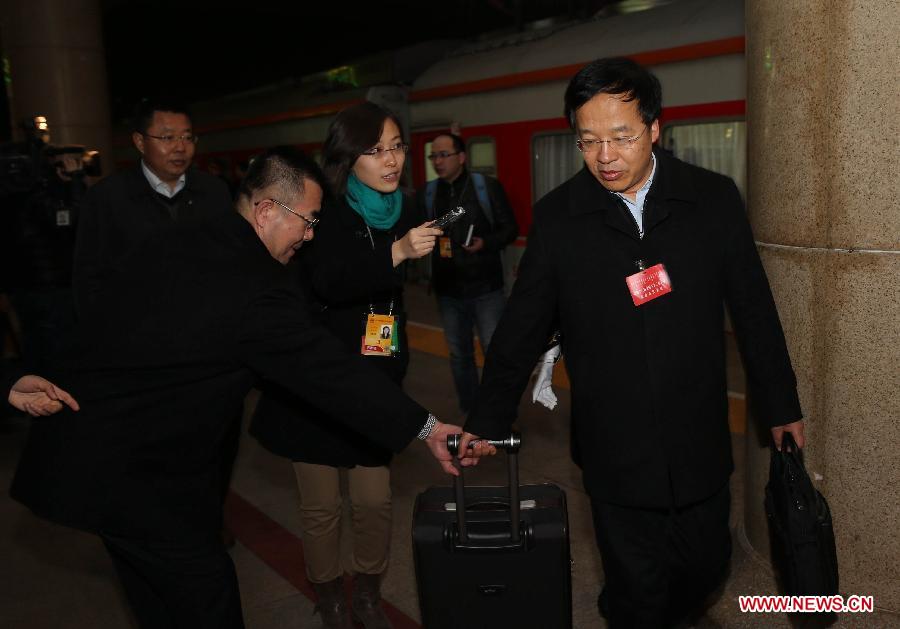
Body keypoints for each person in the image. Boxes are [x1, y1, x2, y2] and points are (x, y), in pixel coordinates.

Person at [10, 148, 489, 629]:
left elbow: (104, 316)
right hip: (144, 478)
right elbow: (327, 371)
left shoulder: (189, 237)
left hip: (97, 459)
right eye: (307, 220)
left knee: (157, 601)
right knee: (205, 597)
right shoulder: (252, 286)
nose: (310, 234)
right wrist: (427, 428)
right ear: (265, 211)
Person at [460, 57, 805, 628]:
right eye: (587, 140)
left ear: (654, 129)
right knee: (635, 588)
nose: (604, 157)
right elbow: (521, 326)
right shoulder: (560, 217)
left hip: (696, 435)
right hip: (613, 444)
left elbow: (753, 310)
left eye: (620, 137)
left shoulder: (712, 200)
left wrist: (781, 403)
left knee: (705, 566)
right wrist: (488, 417)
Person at [249, 103, 441, 629]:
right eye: (375, 149)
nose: (391, 159)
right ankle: (331, 597)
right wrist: (396, 255)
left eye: (397, 145)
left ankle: (367, 596)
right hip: (314, 379)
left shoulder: (402, 208)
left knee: (375, 502)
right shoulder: (321, 209)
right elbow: (329, 281)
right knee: (320, 507)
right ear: (346, 156)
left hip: (374, 376)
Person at [73, 97, 233, 318]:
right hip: (135, 333)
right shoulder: (107, 198)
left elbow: (230, 262)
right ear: (140, 142)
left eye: (187, 137)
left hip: (205, 326)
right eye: (167, 137)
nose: (180, 147)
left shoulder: (214, 192)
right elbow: (89, 277)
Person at [418, 133, 518, 414]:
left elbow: (510, 228)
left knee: (493, 352)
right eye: (433, 156)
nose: (437, 161)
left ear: (461, 157)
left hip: (486, 288)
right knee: (459, 355)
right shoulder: (429, 193)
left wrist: (485, 243)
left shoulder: (485, 188)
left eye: (443, 155)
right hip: (448, 291)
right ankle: (472, 412)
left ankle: (498, 412)